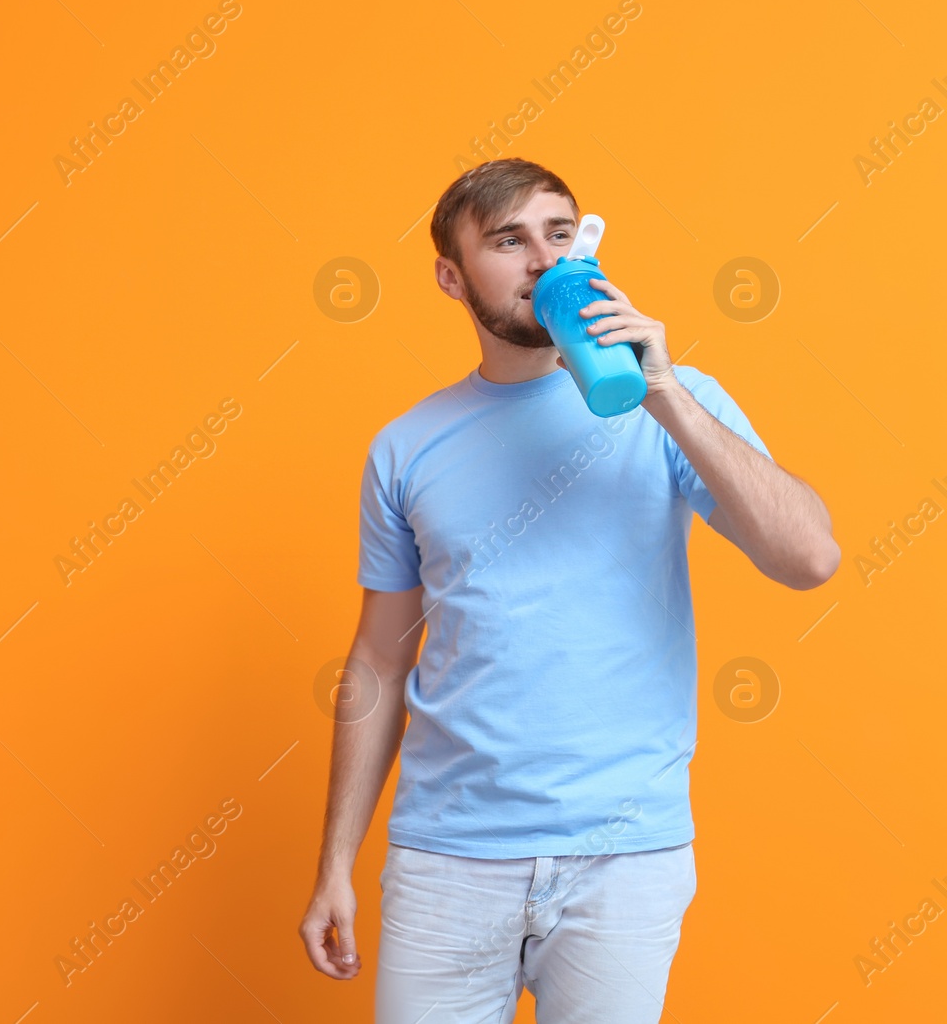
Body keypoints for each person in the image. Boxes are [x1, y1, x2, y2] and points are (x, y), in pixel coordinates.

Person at [297, 158, 839, 1023]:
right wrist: (334, 863)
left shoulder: (677, 402)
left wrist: (661, 389)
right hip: (447, 858)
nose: (544, 261)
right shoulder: (405, 448)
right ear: (451, 276)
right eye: (508, 240)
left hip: (622, 858)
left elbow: (810, 556)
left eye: (560, 233)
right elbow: (375, 661)